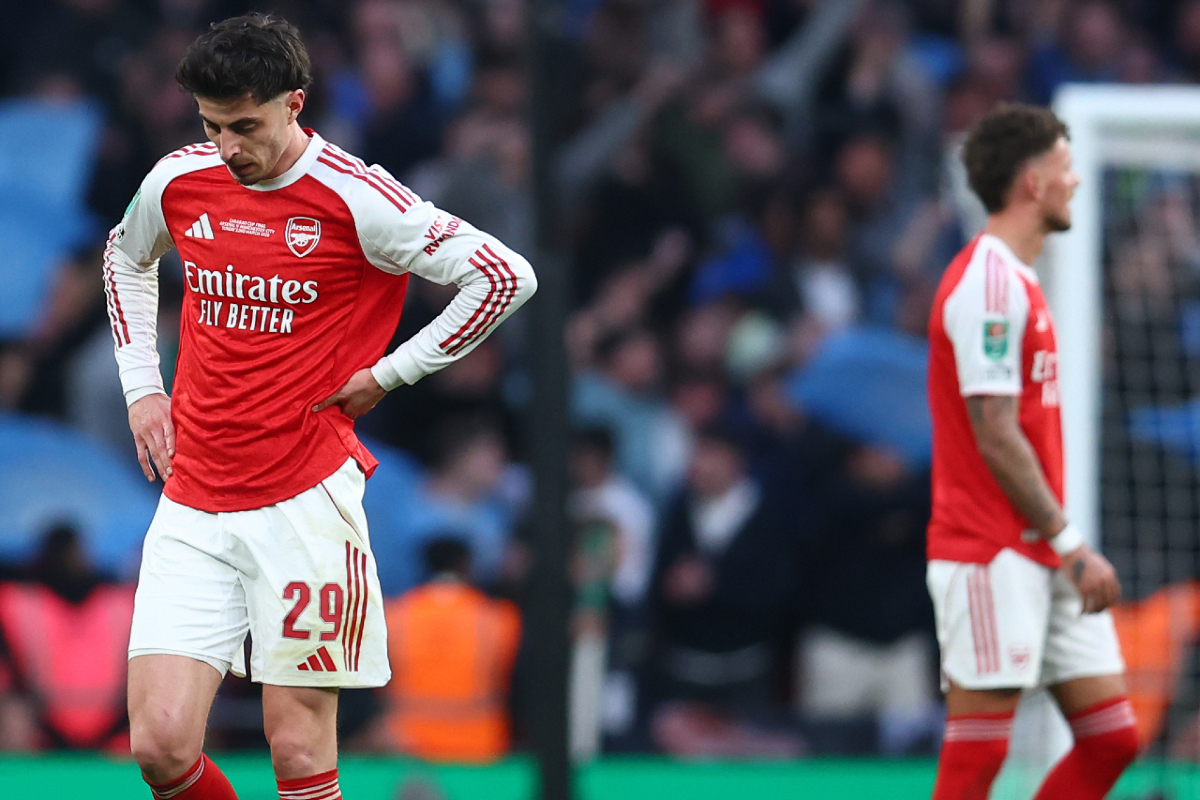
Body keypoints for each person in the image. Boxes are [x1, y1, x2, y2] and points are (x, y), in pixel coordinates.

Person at [102, 14, 535, 800]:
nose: (228, 146)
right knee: (161, 747)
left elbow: (504, 277)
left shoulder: (359, 198)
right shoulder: (179, 179)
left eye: (245, 125)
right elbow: (125, 256)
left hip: (306, 500)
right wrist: (143, 388)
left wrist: (392, 372)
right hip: (194, 498)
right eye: (211, 125)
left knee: (299, 753)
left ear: (294, 103)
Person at [925, 103, 1136, 799]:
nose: (1076, 181)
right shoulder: (988, 284)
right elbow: (995, 431)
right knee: (977, 761)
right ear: (1032, 182)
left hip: (1038, 550)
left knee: (1112, 739)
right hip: (990, 552)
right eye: (1066, 167)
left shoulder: (1018, 281)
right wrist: (1072, 544)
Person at [381, 537, 521, 762]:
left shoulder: (393, 616)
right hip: (479, 746)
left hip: (405, 745)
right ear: (466, 566)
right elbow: (513, 683)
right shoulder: (498, 618)